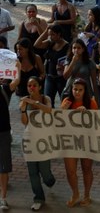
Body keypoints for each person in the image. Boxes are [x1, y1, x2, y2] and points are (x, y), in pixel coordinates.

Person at [61, 78, 98, 207]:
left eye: (80, 90)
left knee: (86, 169)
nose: (77, 92)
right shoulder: (66, 102)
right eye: (75, 89)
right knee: (70, 171)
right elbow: (58, 123)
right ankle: (75, 194)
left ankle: (87, 194)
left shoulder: (91, 103)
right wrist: (63, 111)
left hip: (86, 141)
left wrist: (87, 113)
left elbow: (97, 123)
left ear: (85, 91)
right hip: (70, 141)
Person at [20, 76, 55, 211]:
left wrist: (34, 102)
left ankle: (50, 181)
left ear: (40, 87)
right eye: (29, 86)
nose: (32, 88)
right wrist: (23, 110)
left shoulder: (46, 99)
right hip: (30, 140)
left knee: (45, 172)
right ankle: (38, 198)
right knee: (33, 172)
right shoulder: (25, 101)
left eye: (34, 85)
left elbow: (48, 110)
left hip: (44, 140)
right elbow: (24, 122)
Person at [0, 60, 20, 211]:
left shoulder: (5, 89)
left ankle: (3, 197)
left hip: (3, 132)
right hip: (4, 132)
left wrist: (18, 68)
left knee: (4, 167)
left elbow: (17, 81)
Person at [34, 25, 69, 107]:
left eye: (52, 34)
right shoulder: (50, 43)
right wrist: (46, 31)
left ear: (59, 34)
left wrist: (64, 68)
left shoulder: (67, 46)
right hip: (50, 77)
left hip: (61, 78)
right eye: (49, 34)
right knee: (48, 101)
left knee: (64, 100)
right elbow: (36, 44)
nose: (50, 37)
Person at [63, 39, 99, 103]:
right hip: (70, 90)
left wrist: (96, 99)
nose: (76, 50)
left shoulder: (89, 62)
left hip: (86, 91)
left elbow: (94, 82)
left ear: (83, 49)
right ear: (71, 49)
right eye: (74, 48)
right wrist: (73, 62)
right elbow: (65, 76)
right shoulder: (68, 60)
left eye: (79, 48)